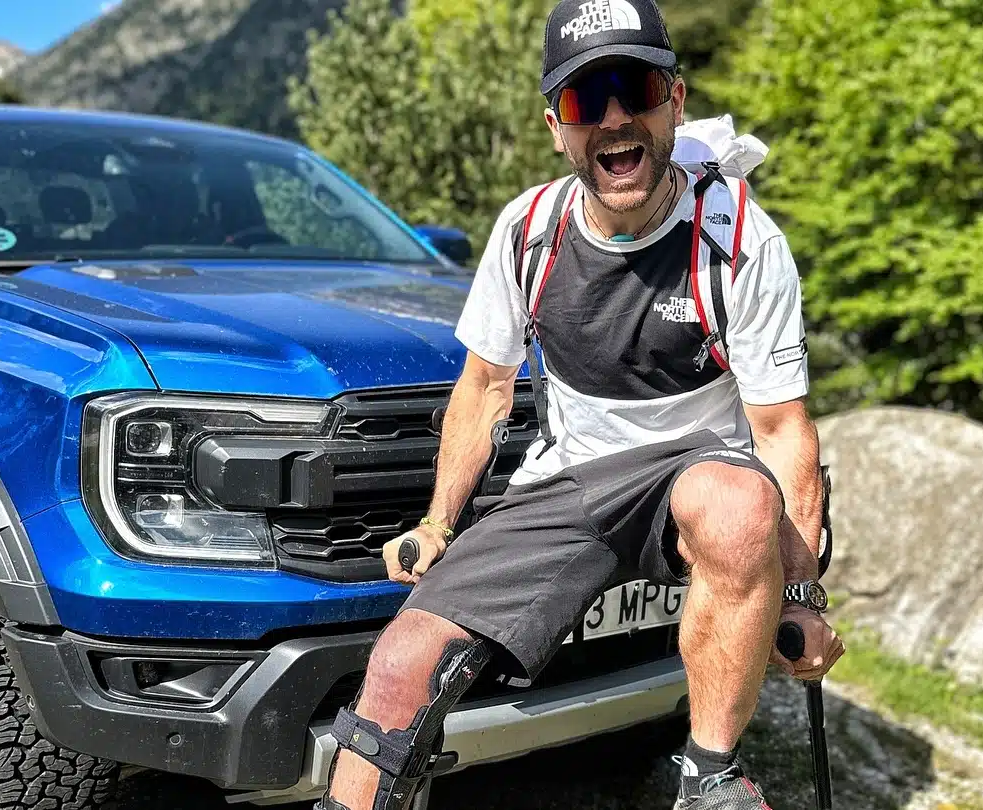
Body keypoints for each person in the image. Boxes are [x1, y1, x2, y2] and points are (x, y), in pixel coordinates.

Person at [314, 0, 845, 808]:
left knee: (737, 504)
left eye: (638, 89)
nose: (614, 118)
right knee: (399, 663)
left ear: (675, 100)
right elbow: (484, 390)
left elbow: (780, 431)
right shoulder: (528, 230)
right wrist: (437, 524)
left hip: (695, 475)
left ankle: (709, 775)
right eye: (584, 99)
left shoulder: (739, 237)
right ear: (556, 128)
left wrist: (799, 597)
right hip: (572, 480)